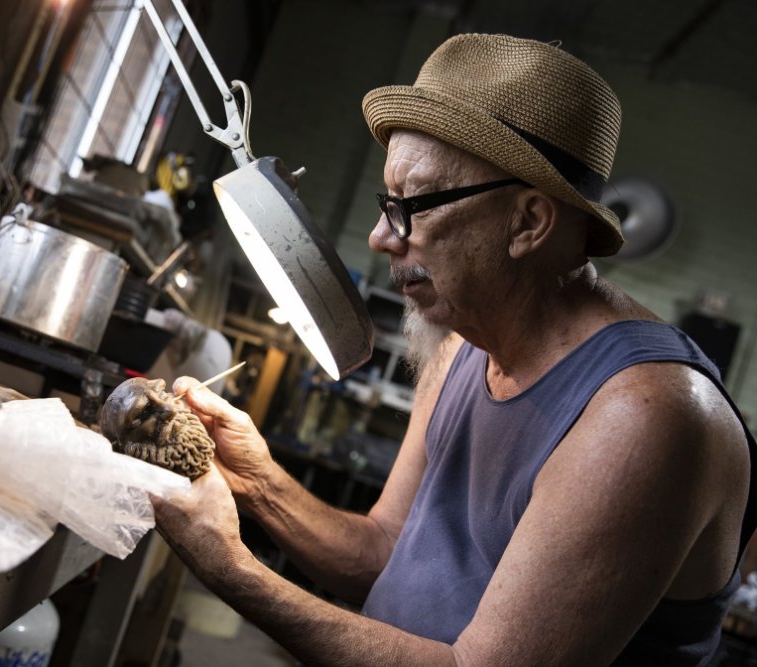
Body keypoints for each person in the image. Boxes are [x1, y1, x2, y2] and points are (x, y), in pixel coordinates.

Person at [151, 33, 757, 665]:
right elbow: (383, 551)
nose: (381, 236)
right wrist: (259, 484)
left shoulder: (643, 415)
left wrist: (230, 569)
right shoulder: (461, 347)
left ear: (528, 222)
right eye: (388, 203)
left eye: (413, 207)